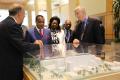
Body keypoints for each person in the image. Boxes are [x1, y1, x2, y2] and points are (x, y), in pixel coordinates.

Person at [0, 4, 41, 80]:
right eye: (24, 15)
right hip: (10, 68)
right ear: (19, 14)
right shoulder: (12, 25)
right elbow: (21, 46)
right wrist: (37, 45)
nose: (24, 17)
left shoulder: (5, 23)